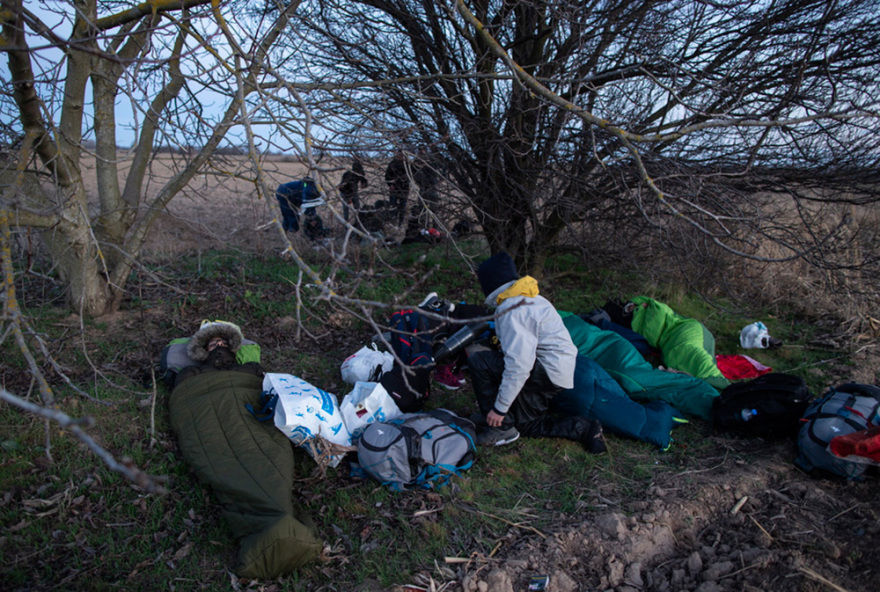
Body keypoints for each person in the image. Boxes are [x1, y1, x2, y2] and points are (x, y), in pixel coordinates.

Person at [468, 251, 606, 452]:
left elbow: (519, 365)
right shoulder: (530, 298)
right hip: (556, 369)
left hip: (546, 372)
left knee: (480, 362)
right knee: (493, 361)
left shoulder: (512, 309)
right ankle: (495, 416)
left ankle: (503, 426)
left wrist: (500, 409)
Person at [385, 151, 410, 225]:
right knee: (393, 206)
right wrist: (390, 184)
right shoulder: (392, 164)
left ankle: (400, 223)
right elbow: (387, 176)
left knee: (402, 206)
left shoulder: (407, 164)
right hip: (394, 188)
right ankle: (393, 222)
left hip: (404, 188)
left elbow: (410, 176)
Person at [339, 158, 368, 223]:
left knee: (357, 208)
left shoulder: (360, 173)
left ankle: (358, 222)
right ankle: (346, 223)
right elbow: (342, 187)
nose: (360, 172)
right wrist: (349, 198)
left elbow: (364, 181)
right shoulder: (348, 175)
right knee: (346, 208)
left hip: (354, 192)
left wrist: (364, 184)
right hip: (345, 192)